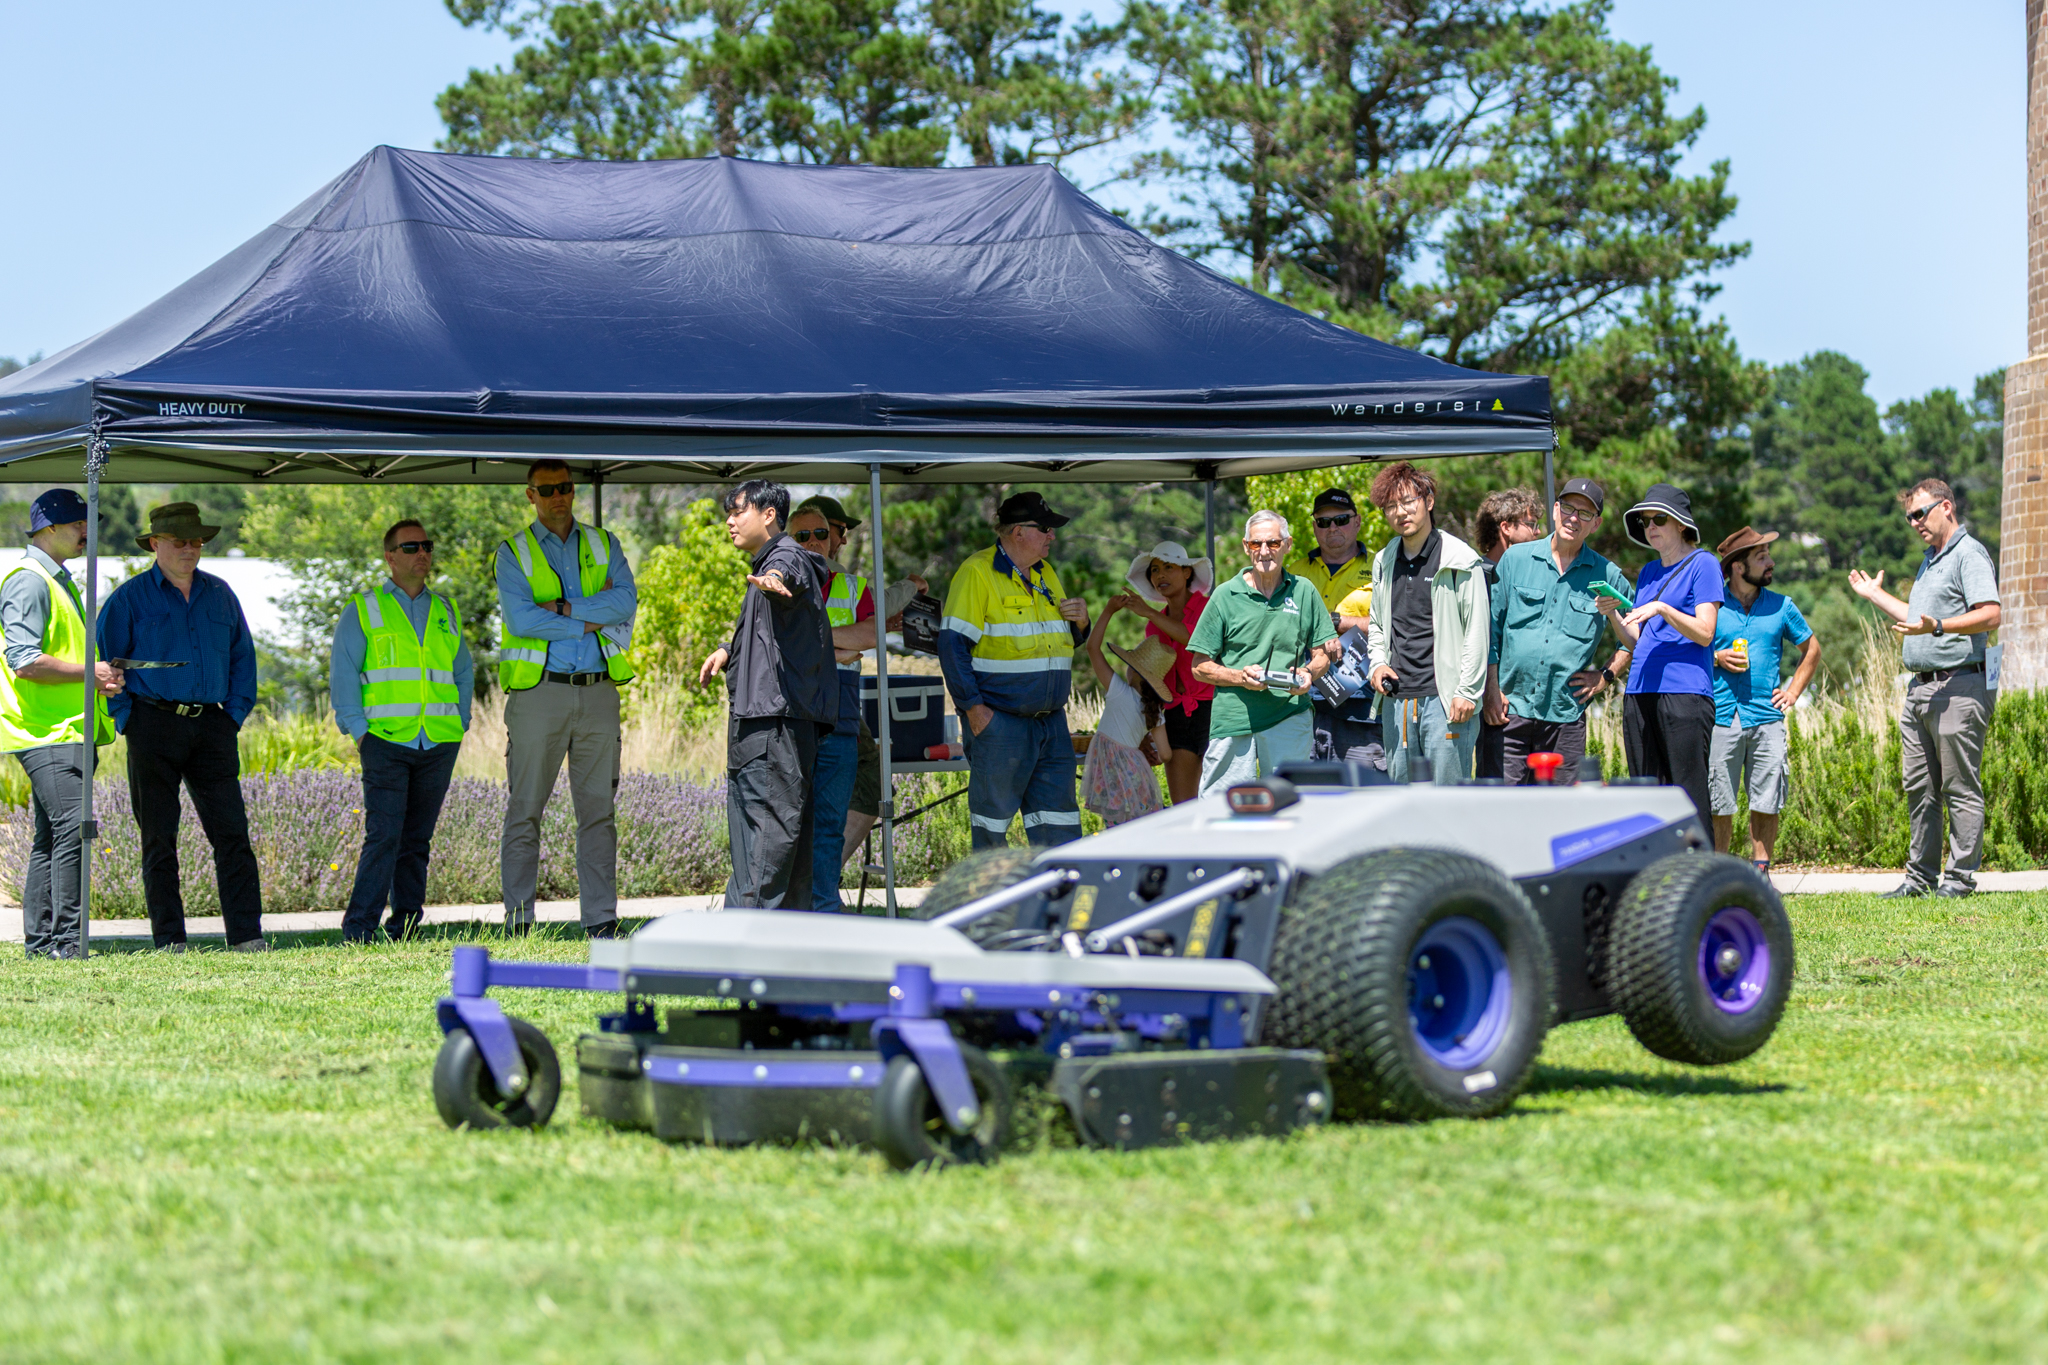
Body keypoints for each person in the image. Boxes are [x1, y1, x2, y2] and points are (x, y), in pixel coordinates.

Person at [98, 500, 265, 953]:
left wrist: (231, 716)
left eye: (196, 541)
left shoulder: (221, 593)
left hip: (212, 724)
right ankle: (170, 939)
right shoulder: (128, 599)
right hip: (152, 724)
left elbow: (242, 659)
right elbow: (107, 668)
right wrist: (128, 718)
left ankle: (247, 937)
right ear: (156, 544)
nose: (189, 548)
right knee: (158, 837)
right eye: (178, 541)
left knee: (232, 832)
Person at [496, 460, 639, 938]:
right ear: (530, 495)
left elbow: (625, 604)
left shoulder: (604, 543)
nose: (559, 496)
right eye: (547, 489)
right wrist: (587, 620)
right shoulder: (512, 552)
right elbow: (523, 622)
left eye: (565, 488)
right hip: (540, 694)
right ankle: (519, 923)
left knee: (599, 813)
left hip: (599, 692)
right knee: (525, 810)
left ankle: (600, 921)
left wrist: (561, 609)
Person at [1849, 479, 2001, 898]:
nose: (1914, 522)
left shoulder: (1968, 554)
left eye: (1920, 513)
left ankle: (1959, 879)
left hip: (1959, 686)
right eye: (1909, 517)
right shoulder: (1930, 561)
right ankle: (1920, 880)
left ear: (1946, 506)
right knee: (1920, 789)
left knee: (1959, 787)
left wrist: (1937, 625)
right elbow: (1917, 617)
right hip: (1920, 690)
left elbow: (1990, 614)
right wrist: (1875, 595)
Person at [329, 520, 476, 944]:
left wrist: (461, 721)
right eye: (411, 547)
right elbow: (344, 674)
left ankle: (406, 926)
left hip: (438, 740)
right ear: (390, 557)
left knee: (417, 839)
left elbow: (463, 672)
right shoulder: (363, 608)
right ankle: (359, 928)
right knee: (384, 835)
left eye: (427, 545)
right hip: (385, 740)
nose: (422, 553)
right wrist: (359, 732)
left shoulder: (446, 610)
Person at [698, 479, 836, 908]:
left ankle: (746, 957)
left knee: (765, 850)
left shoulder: (785, 557)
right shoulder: (766, 565)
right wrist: (728, 649)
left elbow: (792, 572)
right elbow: (770, 634)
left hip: (774, 730)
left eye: (738, 510)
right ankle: (783, 960)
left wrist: (775, 577)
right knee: (780, 855)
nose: (729, 520)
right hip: (769, 727)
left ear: (768, 514)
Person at [786, 495, 923, 912]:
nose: (818, 541)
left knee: (827, 819)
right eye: (803, 535)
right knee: (792, 817)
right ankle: (793, 903)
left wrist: (824, 642)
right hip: (798, 708)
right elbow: (789, 643)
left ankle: (821, 904)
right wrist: (843, 644)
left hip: (840, 708)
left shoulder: (848, 584)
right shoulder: (779, 578)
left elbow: (869, 636)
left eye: (823, 534)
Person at [1, 490, 120, 959]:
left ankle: (44, 943)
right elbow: (25, 661)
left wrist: (97, 680)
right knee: (73, 828)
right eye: (78, 525)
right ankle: (67, 943)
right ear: (48, 529)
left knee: (52, 836)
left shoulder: (56, 579)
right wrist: (90, 674)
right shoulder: (30, 582)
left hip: (65, 729)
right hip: (46, 732)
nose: (87, 533)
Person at [936, 492, 1089, 849]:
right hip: (1001, 724)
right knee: (991, 832)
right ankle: (992, 905)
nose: (1052, 536)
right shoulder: (976, 572)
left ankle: (1056, 903)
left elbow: (1055, 642)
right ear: (1019, 532)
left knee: (1060, 825)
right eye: (1046, 529)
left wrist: (1082, 623)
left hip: (1051, 723)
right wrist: (974, 710)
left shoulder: (1045, 572)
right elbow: (952, 645)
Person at [1485, 478, 1628, 785]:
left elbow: (1633, 639)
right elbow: (1491, 629)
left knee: (1562, 815)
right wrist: (1491, 690)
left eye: (1585, 513)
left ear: (1597, 523)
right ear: (1555, 510)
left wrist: (1605, 676)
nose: (1573, 518)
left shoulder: (1608, 574)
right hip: (1510, 708)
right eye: (1568, 508)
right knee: (1500, 811)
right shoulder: (1515, 559)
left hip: (1564, 715)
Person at [1187, 511, 1335, 793]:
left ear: (1288, 544)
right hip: (1234, 720)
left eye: (1273, 543)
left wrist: (1308, 673)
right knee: (1222, 811)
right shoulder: (1224, 595)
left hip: (1289, 715)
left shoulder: (1304, 591)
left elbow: (1322, 654)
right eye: (1256, 544)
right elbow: (1199, 666)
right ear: (1246, 547)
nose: (1264, 552)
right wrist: (1239, 677)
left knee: (1290, 806)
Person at [1604, 482, 1722, 827]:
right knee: (1646, 793)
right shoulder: (1649, 572)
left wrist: (1663, 609)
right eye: (1645, 522)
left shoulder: (1704, 564)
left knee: (1688, 795)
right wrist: (1613, 612)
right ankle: (1655, 875)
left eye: (1659, 519)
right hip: (1640, 690)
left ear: (1682, 524)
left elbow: (1705, 632)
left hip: (1685, 692)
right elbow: (1637, 640)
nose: (1650, 527)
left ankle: (1698, 876)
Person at [1365, 463, 1489, 784]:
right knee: (1404, 802)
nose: (1400, 512)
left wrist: (1468, 692)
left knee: (1448, 802)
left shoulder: (1461, 560)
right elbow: (1377, 623)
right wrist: (1377, 664)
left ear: (1428, 501)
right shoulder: (1383, 560)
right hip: (1397, 702)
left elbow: (1477, 631)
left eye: (1408, 502)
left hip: (1446, 701)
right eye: (1390, 506)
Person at [1709, 526, 1819, 875]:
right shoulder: (1711, 605)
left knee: (1767, 799)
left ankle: (1760, 873)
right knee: (1718, 802)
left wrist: (1793, 692)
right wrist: (1716, 657)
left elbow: (1812, 649)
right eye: (1762, 557)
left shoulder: (1782, 606)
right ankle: (1720, 875)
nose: (1770, 563)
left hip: (1767, 716)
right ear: (1738, 567)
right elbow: (1690, 647)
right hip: (1721, 714)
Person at [1287, 487, 1383, 770]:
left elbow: (1390, 625)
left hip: (1360, 707)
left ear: (1357, 521)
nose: (1332, 528)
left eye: (1341, 519)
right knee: (1305, 797)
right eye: (1323, 522)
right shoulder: (1295, 571)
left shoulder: (1381, 567)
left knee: (1364, 796)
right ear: (1315, 527)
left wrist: (1338, 622)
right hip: (1302, 705)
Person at [1117, 541, 1213, 803]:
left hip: (1213, 711)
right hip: (1175, 715)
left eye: (1168, 567)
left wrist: (1148, 612)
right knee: (1184, 806)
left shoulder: (1207, 607)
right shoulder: (1154, 624)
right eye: (1155, 570)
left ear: (1186, 573)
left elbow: (1193, 639)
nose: (1160, 575)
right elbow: (1150, 677)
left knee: (1218, 803)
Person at [1473, 487, 1545, 779]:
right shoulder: (1479, 574)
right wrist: (1491, 690)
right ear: (1505, 527)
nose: (1539, 533)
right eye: (1531, 524)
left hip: (1530, 708)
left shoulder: (1532, 574)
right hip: (1493, 706)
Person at [1081, 601, 1170, 827]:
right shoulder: (1155, 711)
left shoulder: (1118, 692)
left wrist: (1108, 610)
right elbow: (1166, 754)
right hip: (1136, 772)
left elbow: (1092, 648)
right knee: (1137, 826)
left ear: (1136, 673)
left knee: (1116, 827)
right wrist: (1151, 752)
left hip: (1112, 775)